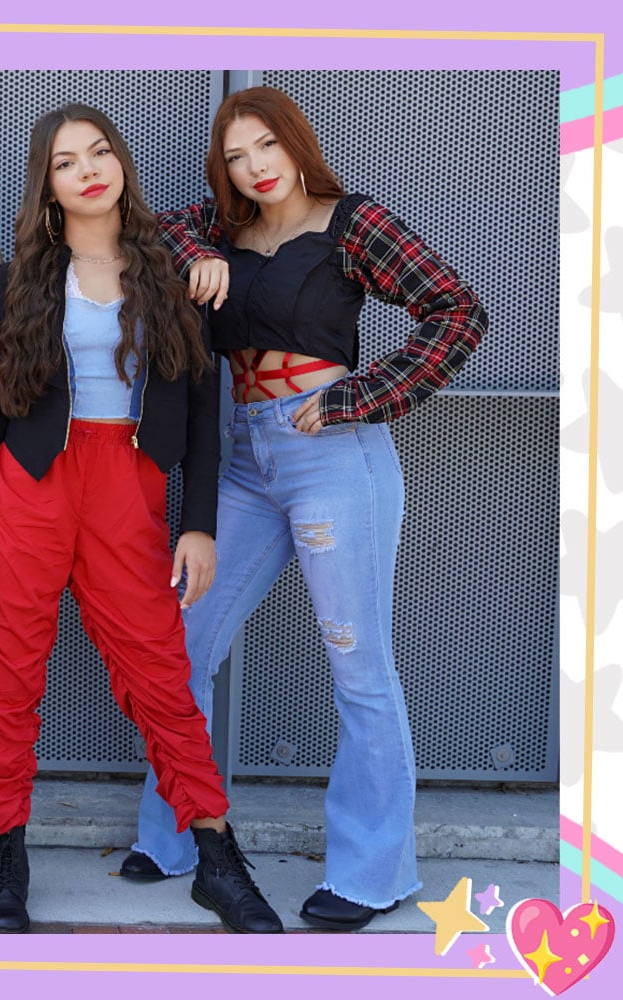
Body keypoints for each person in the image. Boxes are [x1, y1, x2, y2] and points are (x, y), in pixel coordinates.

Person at [121, 86, 488, 931]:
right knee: (180, 646)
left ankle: (374, 873)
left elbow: (457, 310)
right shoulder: (221, 229)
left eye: (264, 148)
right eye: (235, 156)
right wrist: (191, 258)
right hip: (244, 460)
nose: (253, 168)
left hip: (333, 457)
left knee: (358, 666)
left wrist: (370, 395)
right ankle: (179, 835)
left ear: (294, 143)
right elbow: (148, 234)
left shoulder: (353, 224)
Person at [0, 103, 282, 935]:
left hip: (127, 485)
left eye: (101, 152)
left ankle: (215, 855)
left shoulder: (173, 270)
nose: (90, 169)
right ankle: (6, 858)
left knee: (161, 672)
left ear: (122, 163)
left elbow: (208, 410)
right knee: (11, 676)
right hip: (30, 486)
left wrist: (195, 522)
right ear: (48, 185)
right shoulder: (15, 277)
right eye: (67, 161)